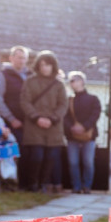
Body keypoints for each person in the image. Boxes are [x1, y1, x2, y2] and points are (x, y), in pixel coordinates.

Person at [20, 50, 68, 194]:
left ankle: (43, 184)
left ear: (53, 66)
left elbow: (63, 104)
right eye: (42, 65)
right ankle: (33, 183)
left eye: (48, 65)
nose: (45, 68)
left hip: (53, 126)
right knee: (37, 156)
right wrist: (36, 118)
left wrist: (52, 119)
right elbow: (25, 101)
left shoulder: (59, 84)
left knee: (51, 157)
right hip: (34, 125)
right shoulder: (30, 81)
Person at [0, 45, 30, 187]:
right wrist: (11, 118)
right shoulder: (3, 75)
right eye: (19, 57)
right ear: (11, 58)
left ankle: (24, 184)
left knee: (27, 153)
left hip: (29, 123)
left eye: (24, 58)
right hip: (10, 123)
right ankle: (7, 183)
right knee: (10, 153)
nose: (22, 61)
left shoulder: (30, 76)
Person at [64, 71, 101, 194]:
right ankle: (76, 186)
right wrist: (71, 127)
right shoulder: (69, 100)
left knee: (88, 162)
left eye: (73, 80)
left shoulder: (93, 99)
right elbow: (65, 117)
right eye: (70, 81)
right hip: (72, 136)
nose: (71, 83)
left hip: (89, 136)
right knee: (73, 162)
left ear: (81, 81)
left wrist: (84, 127)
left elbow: (95, 114)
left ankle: (87, 186)